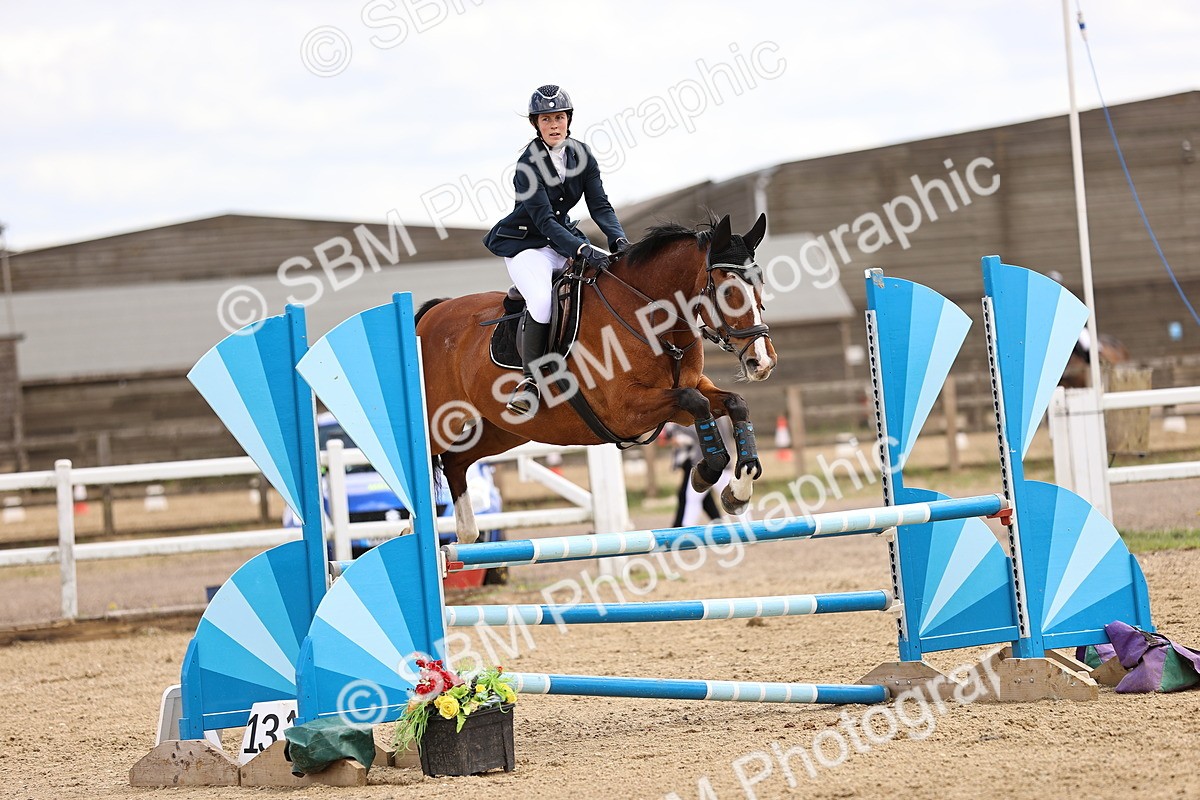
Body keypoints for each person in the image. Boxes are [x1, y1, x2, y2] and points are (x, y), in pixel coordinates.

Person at [483, 85, 630, 416]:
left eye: (559, 117)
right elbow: (546, 222)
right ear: (536, 124)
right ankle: (531, 382)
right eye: (546, 118)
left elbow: (600, 204)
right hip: (527, 246)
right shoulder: (527, 166)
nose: (554, 124)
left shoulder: (582, 154)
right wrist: (581, 249)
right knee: (540, 300)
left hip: (562, 239)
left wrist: (617, 239)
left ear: (569, 120)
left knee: (603, 282)